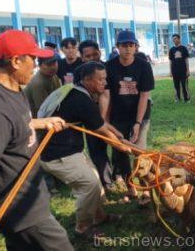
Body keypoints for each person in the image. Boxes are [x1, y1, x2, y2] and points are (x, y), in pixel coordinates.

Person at [0, 30, 73, 251]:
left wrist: (40, 123)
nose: (37, 65)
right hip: (20, 210)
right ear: (17, 61)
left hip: (29, 197)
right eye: (34, 59)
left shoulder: (11, 87)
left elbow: (14, 125)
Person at [40, 62, 130, 238]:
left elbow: (100, 123)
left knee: (95, 182)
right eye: (100, 79)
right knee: (89, 185)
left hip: (70, 149)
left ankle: (99, 217)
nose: (104, 82)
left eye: (105, 78)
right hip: (57, 154)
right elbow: (101, 131)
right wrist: (122, 146)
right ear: (87, 80)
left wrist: (118, 134)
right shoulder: (80, 99)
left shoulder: (77, 91)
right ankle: (83, 227)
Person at [106, 30, 154, 206]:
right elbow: (107, 95)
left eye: (131, 45)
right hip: (118, 115)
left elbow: (144, 95)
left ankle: (146, 190)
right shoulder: (109, 66)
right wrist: (106, 121)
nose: (127, 49)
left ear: (136, 47)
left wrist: (137, 123)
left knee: (139, 151)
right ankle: (130, 188)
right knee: (120, 152)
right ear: (117, 47)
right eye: (123, 45)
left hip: (140, 114)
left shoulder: (143, 65)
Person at [74, 40, 114, 190]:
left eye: (94, 54)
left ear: (100, 52)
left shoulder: (106, 68)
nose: (91, 58)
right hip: (90, 114)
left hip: (111, 111)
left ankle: (121, 176)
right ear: (82, 57)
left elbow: (106, 95)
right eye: (87, 56)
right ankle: (106, 182)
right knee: (96, 148)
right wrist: (97, 123)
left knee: (117, 146)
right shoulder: (80, 71)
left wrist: (102, 119)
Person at [168, 34, 190, 102]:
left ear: (179, 39)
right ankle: (178, 98)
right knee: (176, 85)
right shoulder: (171, 50)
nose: (174, 40)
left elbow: (186, 60)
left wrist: (188, 70)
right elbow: (171, 61)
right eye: (173, 39)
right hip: (175, 70)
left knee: (184, 85)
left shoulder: (184, 48)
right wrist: (170, 71)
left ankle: (186, 98)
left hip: (183, 70)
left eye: (175, 38)